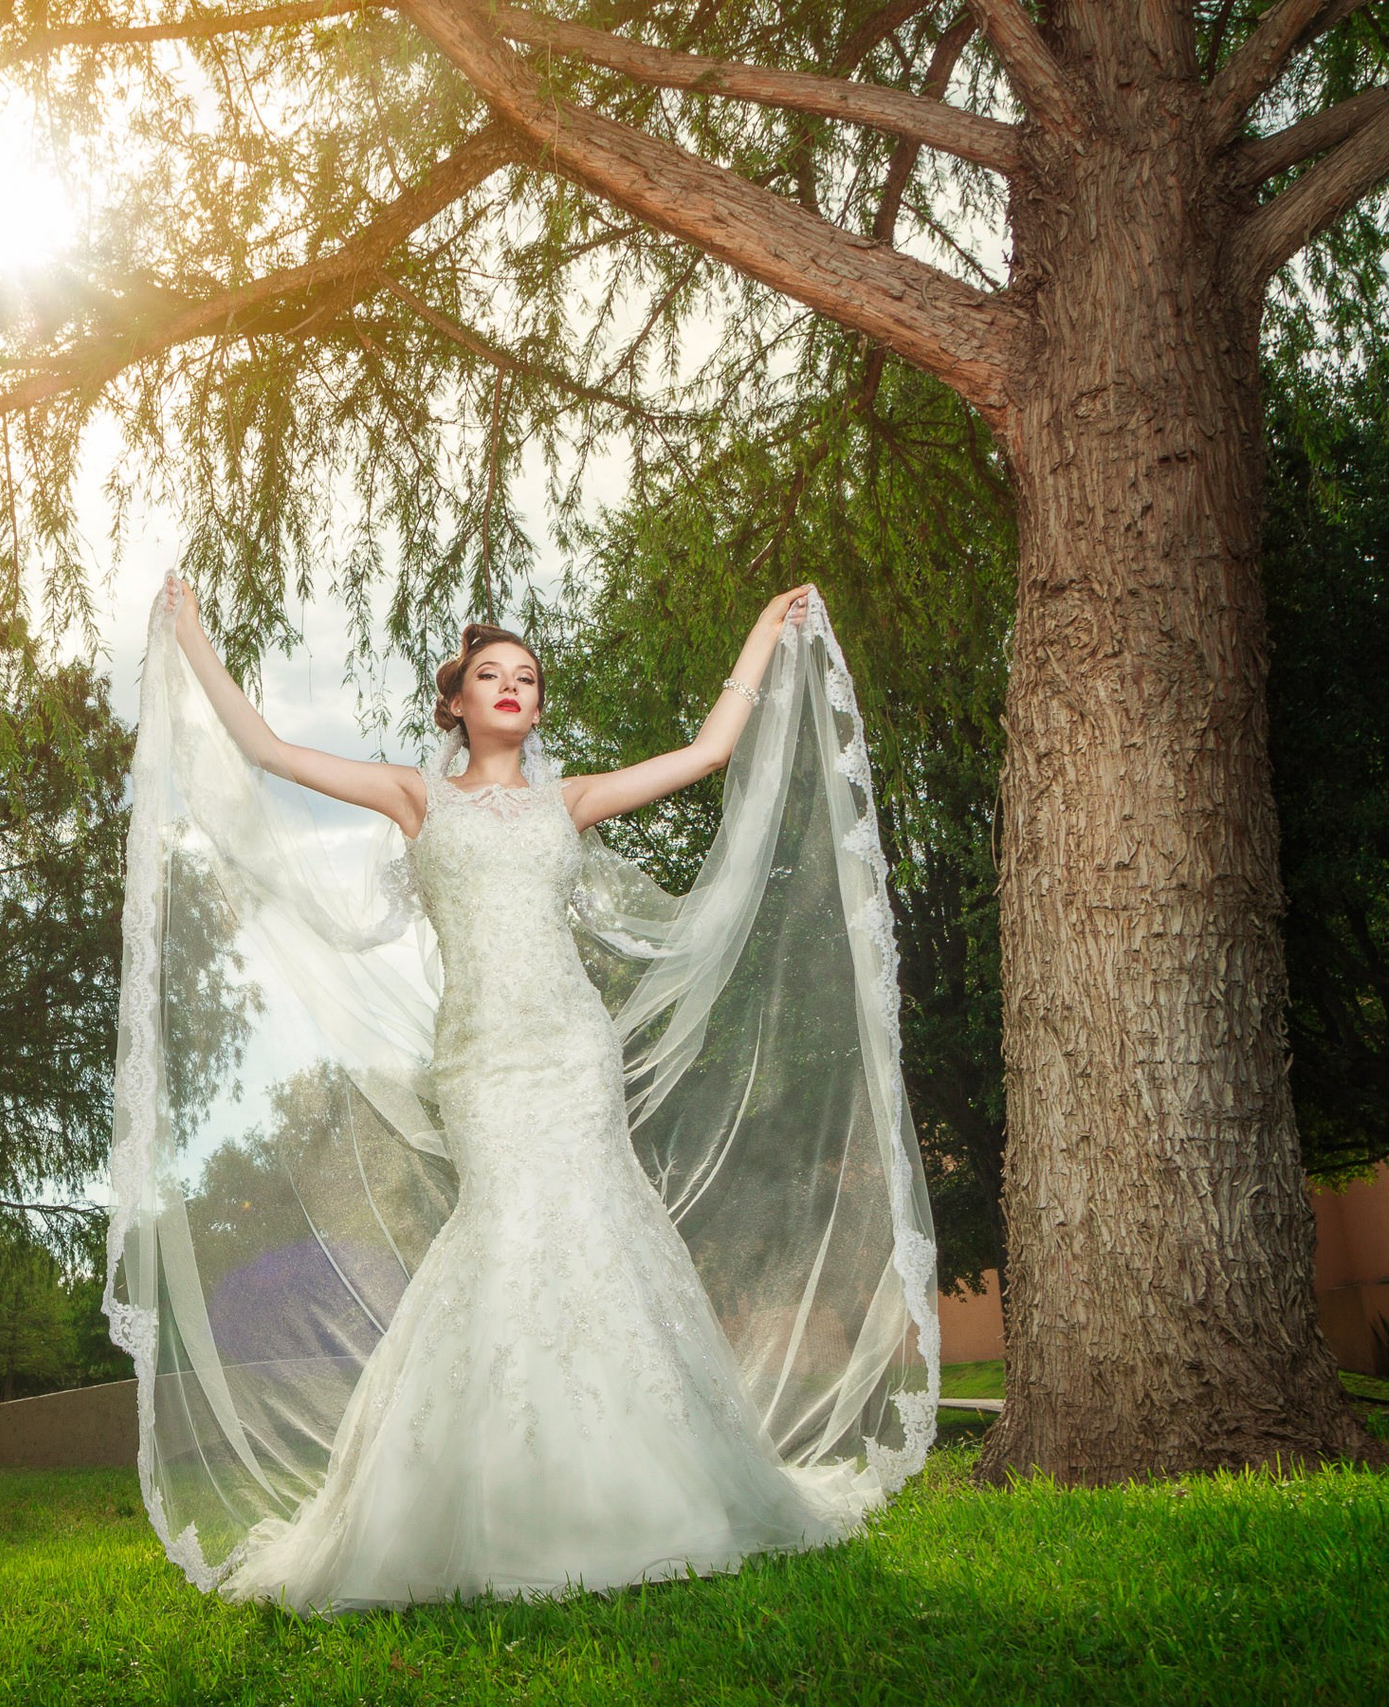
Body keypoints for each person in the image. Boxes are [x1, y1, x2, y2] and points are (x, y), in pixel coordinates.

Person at [103, 575, 941, 1612]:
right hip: (482, 1063)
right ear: (455, 702)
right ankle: (485, 1492)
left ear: (538, 709)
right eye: (490, 676)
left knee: (592, 1233)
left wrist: (764, 630)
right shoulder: (414, 797)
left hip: (570, 1051)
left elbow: (707, 754)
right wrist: (190, 639)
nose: (511, 689)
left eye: (528, 680)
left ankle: (635, 1486)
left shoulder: (568, 800)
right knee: (504, 1232)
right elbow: (272, 753)